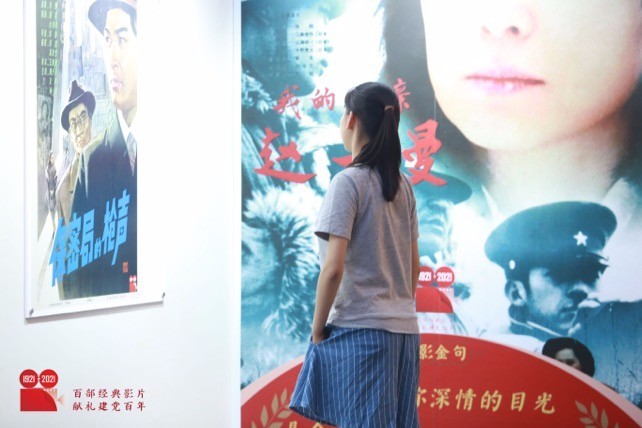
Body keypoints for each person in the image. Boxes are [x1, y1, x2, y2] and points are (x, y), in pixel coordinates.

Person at [289, 82, 420, 426]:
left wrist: (317, 330)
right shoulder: (404, 186)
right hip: (405, 333)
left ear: (351, 119)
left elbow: (333, 269)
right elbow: (414, 268)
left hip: (361, 333)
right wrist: (396, 308)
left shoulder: (347, 183)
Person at [64, 0, 137, 299]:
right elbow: (74, 276)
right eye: (107, 41)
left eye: (122, 39)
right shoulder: (90, 163)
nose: (112, 57)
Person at [484, 201, 617, 351]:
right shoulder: (498, 351)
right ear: (516, 293)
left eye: (591, 274)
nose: (581, 289)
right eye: (561, 274)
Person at [56, 80, 96, 226]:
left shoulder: (114, 166)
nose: (79, 130)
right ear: (69, 134)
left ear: (91, 119)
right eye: (73, 124)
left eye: (83, 117)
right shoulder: (62, 192)